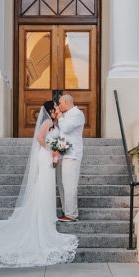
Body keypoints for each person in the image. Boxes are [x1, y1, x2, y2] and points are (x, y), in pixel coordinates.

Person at [0, 103, 78, 267]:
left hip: (49, 156)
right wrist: (53, 150)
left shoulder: (55, 124)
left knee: (47, 185)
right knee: (43, 184)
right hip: (45, 156)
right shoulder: (48, 123)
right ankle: (42, 216)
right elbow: (40, 138)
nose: (58, 110)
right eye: (56, 108)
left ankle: (48, 215)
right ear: (51, 111)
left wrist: (57, 150)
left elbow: (55, 139)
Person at [55, 94, 85, 223]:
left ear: (67, 102)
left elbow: (66, 129)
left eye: (60, 103)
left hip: (72, 155)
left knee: (70, 185)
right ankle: (65, 210)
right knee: (62, 184)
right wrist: (58, 154)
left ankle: (71, 214)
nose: (59, 106)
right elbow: (62, 135)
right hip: (64, 154)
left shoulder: (77, 114)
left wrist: (60, 117)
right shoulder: (66, 114)